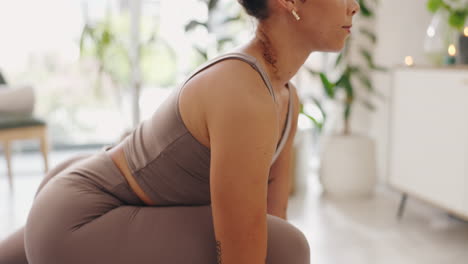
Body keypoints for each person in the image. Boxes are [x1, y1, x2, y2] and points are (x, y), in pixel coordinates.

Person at [0, 0, 359, 263]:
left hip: (85, 195)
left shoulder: (286, 97)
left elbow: (271, 215)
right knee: (288, 247)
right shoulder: (242, 91)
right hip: (79, 218)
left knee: (277, 241)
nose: (354, 7)